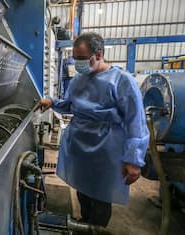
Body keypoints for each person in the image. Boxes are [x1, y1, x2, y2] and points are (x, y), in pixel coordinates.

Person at [35, 32, 149, 227]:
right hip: (79, 144)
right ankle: (83, 223)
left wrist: (134, 160)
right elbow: (71, 105)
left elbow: (135, 121)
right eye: (75, 58)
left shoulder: (121, 80)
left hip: (105, 147)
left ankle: (96, 229)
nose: (77, 63)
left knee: (101, 194)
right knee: (82, 187)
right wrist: (52, 102)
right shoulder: (79, 79)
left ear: (98, 54)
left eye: (81, 59)